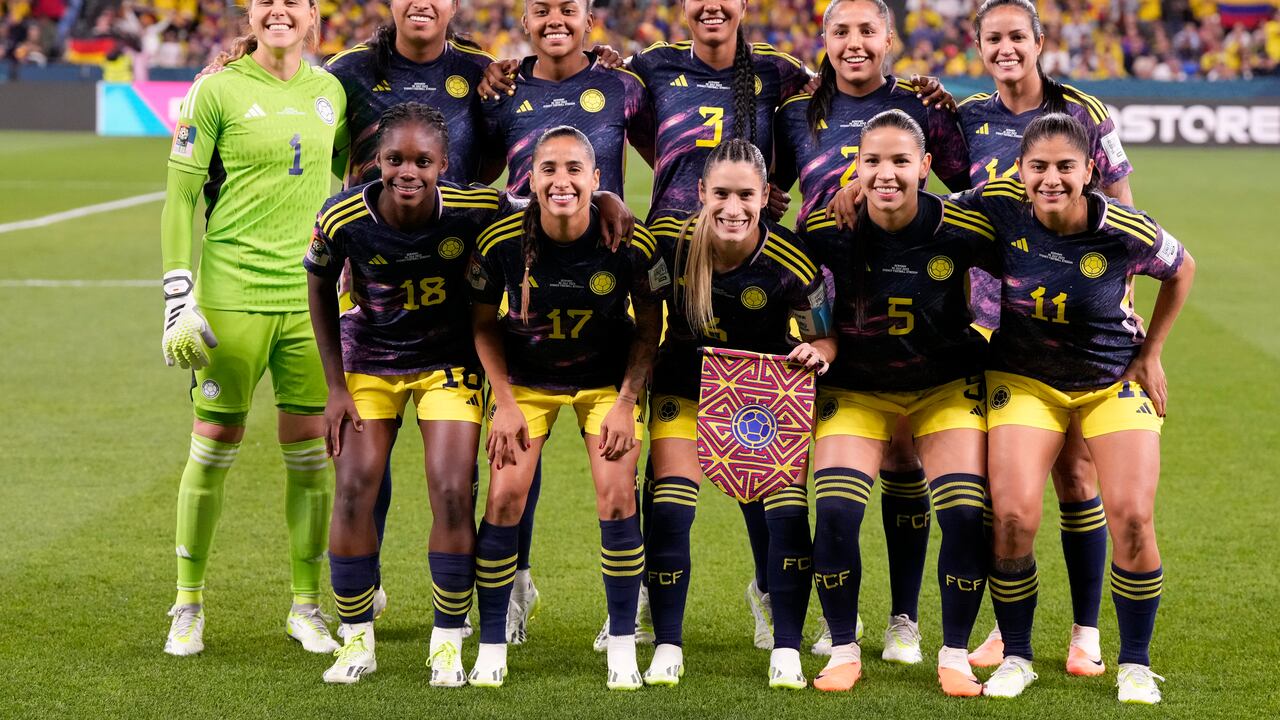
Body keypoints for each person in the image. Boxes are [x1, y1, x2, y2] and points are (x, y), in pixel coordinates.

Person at [951, 113, 1193, 703]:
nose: (1051, 179)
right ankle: (1018, 654)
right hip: (1024, 379)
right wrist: (857, 189)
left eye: (1065, 167)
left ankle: (1135, 662)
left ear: (1089, 170)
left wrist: (1153, 353)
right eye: (1039, 167)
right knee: (1011, 517)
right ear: (1021, 170)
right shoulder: (996, 205)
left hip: (1112, 381)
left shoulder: (1123, 229)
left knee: (1133, 517)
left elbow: (1182, 267)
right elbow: (922, 207)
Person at [772, 0, 972, 662]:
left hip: (918, 313)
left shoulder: (926, 107)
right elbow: (771, 202)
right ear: (822, 39)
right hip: (837, 309)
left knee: (907, 464)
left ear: (888, 38)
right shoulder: (796, 114)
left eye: (867, 30)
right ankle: (826, 616)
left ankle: (906, 618)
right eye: (841, 31)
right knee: (832, 485)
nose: (854, 42)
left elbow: (973, 195)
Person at [158, 0, 347, 657]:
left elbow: (356, 178)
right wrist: (178, 295)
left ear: (311, 15)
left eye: (293, 2)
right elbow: (181, 195)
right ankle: (187, 605)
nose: (279, 11)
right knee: (211, 450)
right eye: (267, 1)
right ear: (251, 11)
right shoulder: (215, 89)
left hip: (307, 307)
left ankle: (305, 606)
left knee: (309, 461)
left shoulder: (331, 91)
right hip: (231, 300)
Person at [956, 0, 1136, 675]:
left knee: (1076, 472)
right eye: (993, 38)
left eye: (1016, 37)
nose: (1006, 48)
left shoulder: (1086, 113)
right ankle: (1008, 631)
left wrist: (1122, 305)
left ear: (1039, 41)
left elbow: (1123, 212)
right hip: (990, 326)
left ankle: (1086, 631)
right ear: (980, 47)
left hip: (1078, 324)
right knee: (1004, 489)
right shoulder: (970, 118)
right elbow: (950, 203)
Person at [304, 103, 503, 685]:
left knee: (449, 488)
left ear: (444, 164)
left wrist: (606, 201)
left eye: (422, 160)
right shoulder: (342, 217)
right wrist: (335, 387)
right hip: (369, 359)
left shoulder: (476, 207)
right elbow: (318, 286)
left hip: (447, 358)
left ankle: (446, 641)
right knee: (354, 486)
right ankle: (356, 639)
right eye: (394, 159)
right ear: (377, 163)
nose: (406, 171)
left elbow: (539, 211)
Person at [466, 126, 668, 689]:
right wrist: (502, 402)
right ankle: (490, 644)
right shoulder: (501, 239)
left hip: (606, 381)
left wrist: (628, 402)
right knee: (506, 496)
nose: (562, 181)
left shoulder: (629, 240)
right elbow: (482, 324)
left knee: (618, 493)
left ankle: (624, 642)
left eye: (575, 169)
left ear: (597, 179)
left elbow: (650, 326)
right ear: (531, 179)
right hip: (525, 381)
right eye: (549, 169)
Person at [800, 110, 993, 694]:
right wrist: (822, 335)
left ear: (926, 168)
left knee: (963, 514)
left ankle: (954, 653)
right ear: (855, 166)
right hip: (857, 389)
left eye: (901, 161)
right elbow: (806, 284)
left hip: (943, 389)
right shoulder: (826, 227)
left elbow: (1018, 272)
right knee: (835, 513)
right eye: (873, 161)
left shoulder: (962, 226)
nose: (886, 174)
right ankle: (843, 648)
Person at [644, 138, 834, 689]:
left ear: (764, 195)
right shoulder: (669, 245)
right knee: (672, 510)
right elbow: (637, 305)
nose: (733, 207)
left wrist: (815, 353)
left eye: (746, 195)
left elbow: (824, 337)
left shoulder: (790, 259)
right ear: (700, 193)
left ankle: (787, 647)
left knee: (783, 515)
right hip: (684, 389)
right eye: (721, 193)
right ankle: (667, 643)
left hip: (759, 397)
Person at [480, 0, 655, 199]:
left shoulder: (623, 86)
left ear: (589, 21)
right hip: (522, 229)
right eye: (542, 11)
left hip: (603, 230)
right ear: (526, 22)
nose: (555, 20)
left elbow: (665, 160)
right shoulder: (503, 90)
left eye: (568, 10)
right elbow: (477, 175)